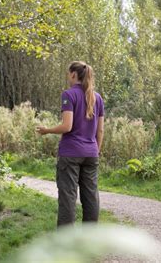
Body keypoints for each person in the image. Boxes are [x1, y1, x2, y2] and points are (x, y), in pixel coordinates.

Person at [36, 61, 104, 226]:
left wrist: (47, 130)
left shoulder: (69, 94)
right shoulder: (97, 98)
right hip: (91, 153)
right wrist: (95, 150)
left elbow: (67, 126)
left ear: (74, 74)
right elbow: (100, 131)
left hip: (71, 153)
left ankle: (65, 244)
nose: (68, 77)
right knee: (91, 197)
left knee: (68, 198)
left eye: (68, 73)